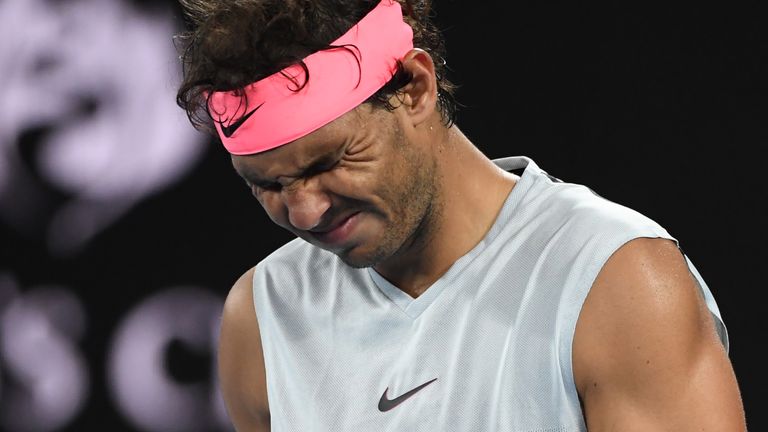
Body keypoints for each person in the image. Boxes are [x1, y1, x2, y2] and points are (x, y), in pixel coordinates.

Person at [175, 0, 747, 430]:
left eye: (331, 161)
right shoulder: (263, 316)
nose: (305, 210)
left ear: (415, 88)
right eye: (268, 185)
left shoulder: (614, 279)